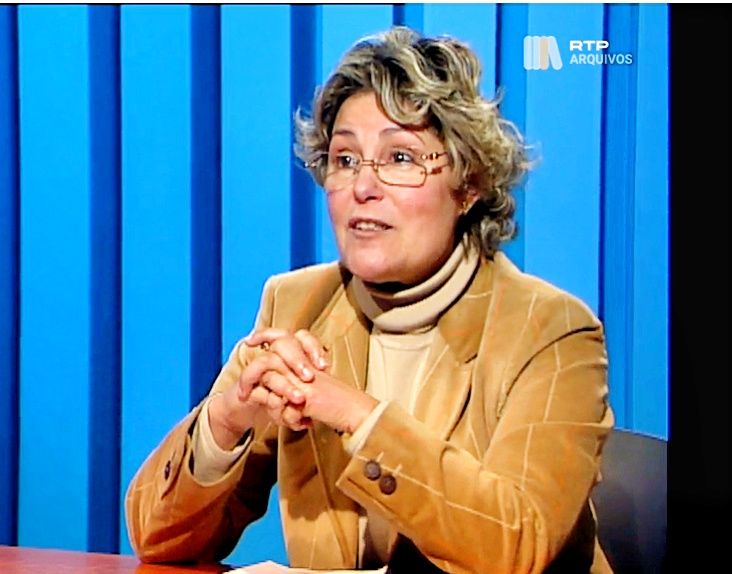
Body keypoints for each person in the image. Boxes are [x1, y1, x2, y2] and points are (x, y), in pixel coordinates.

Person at [125, 26, 615, 573]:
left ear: (469, 184)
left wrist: (355, 413)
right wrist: (225, 421)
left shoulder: (551, 331)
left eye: (400, 157)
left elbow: (517, 546)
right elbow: (159, 540)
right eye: (345, 159)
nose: (363, 187)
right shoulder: (297, 305)